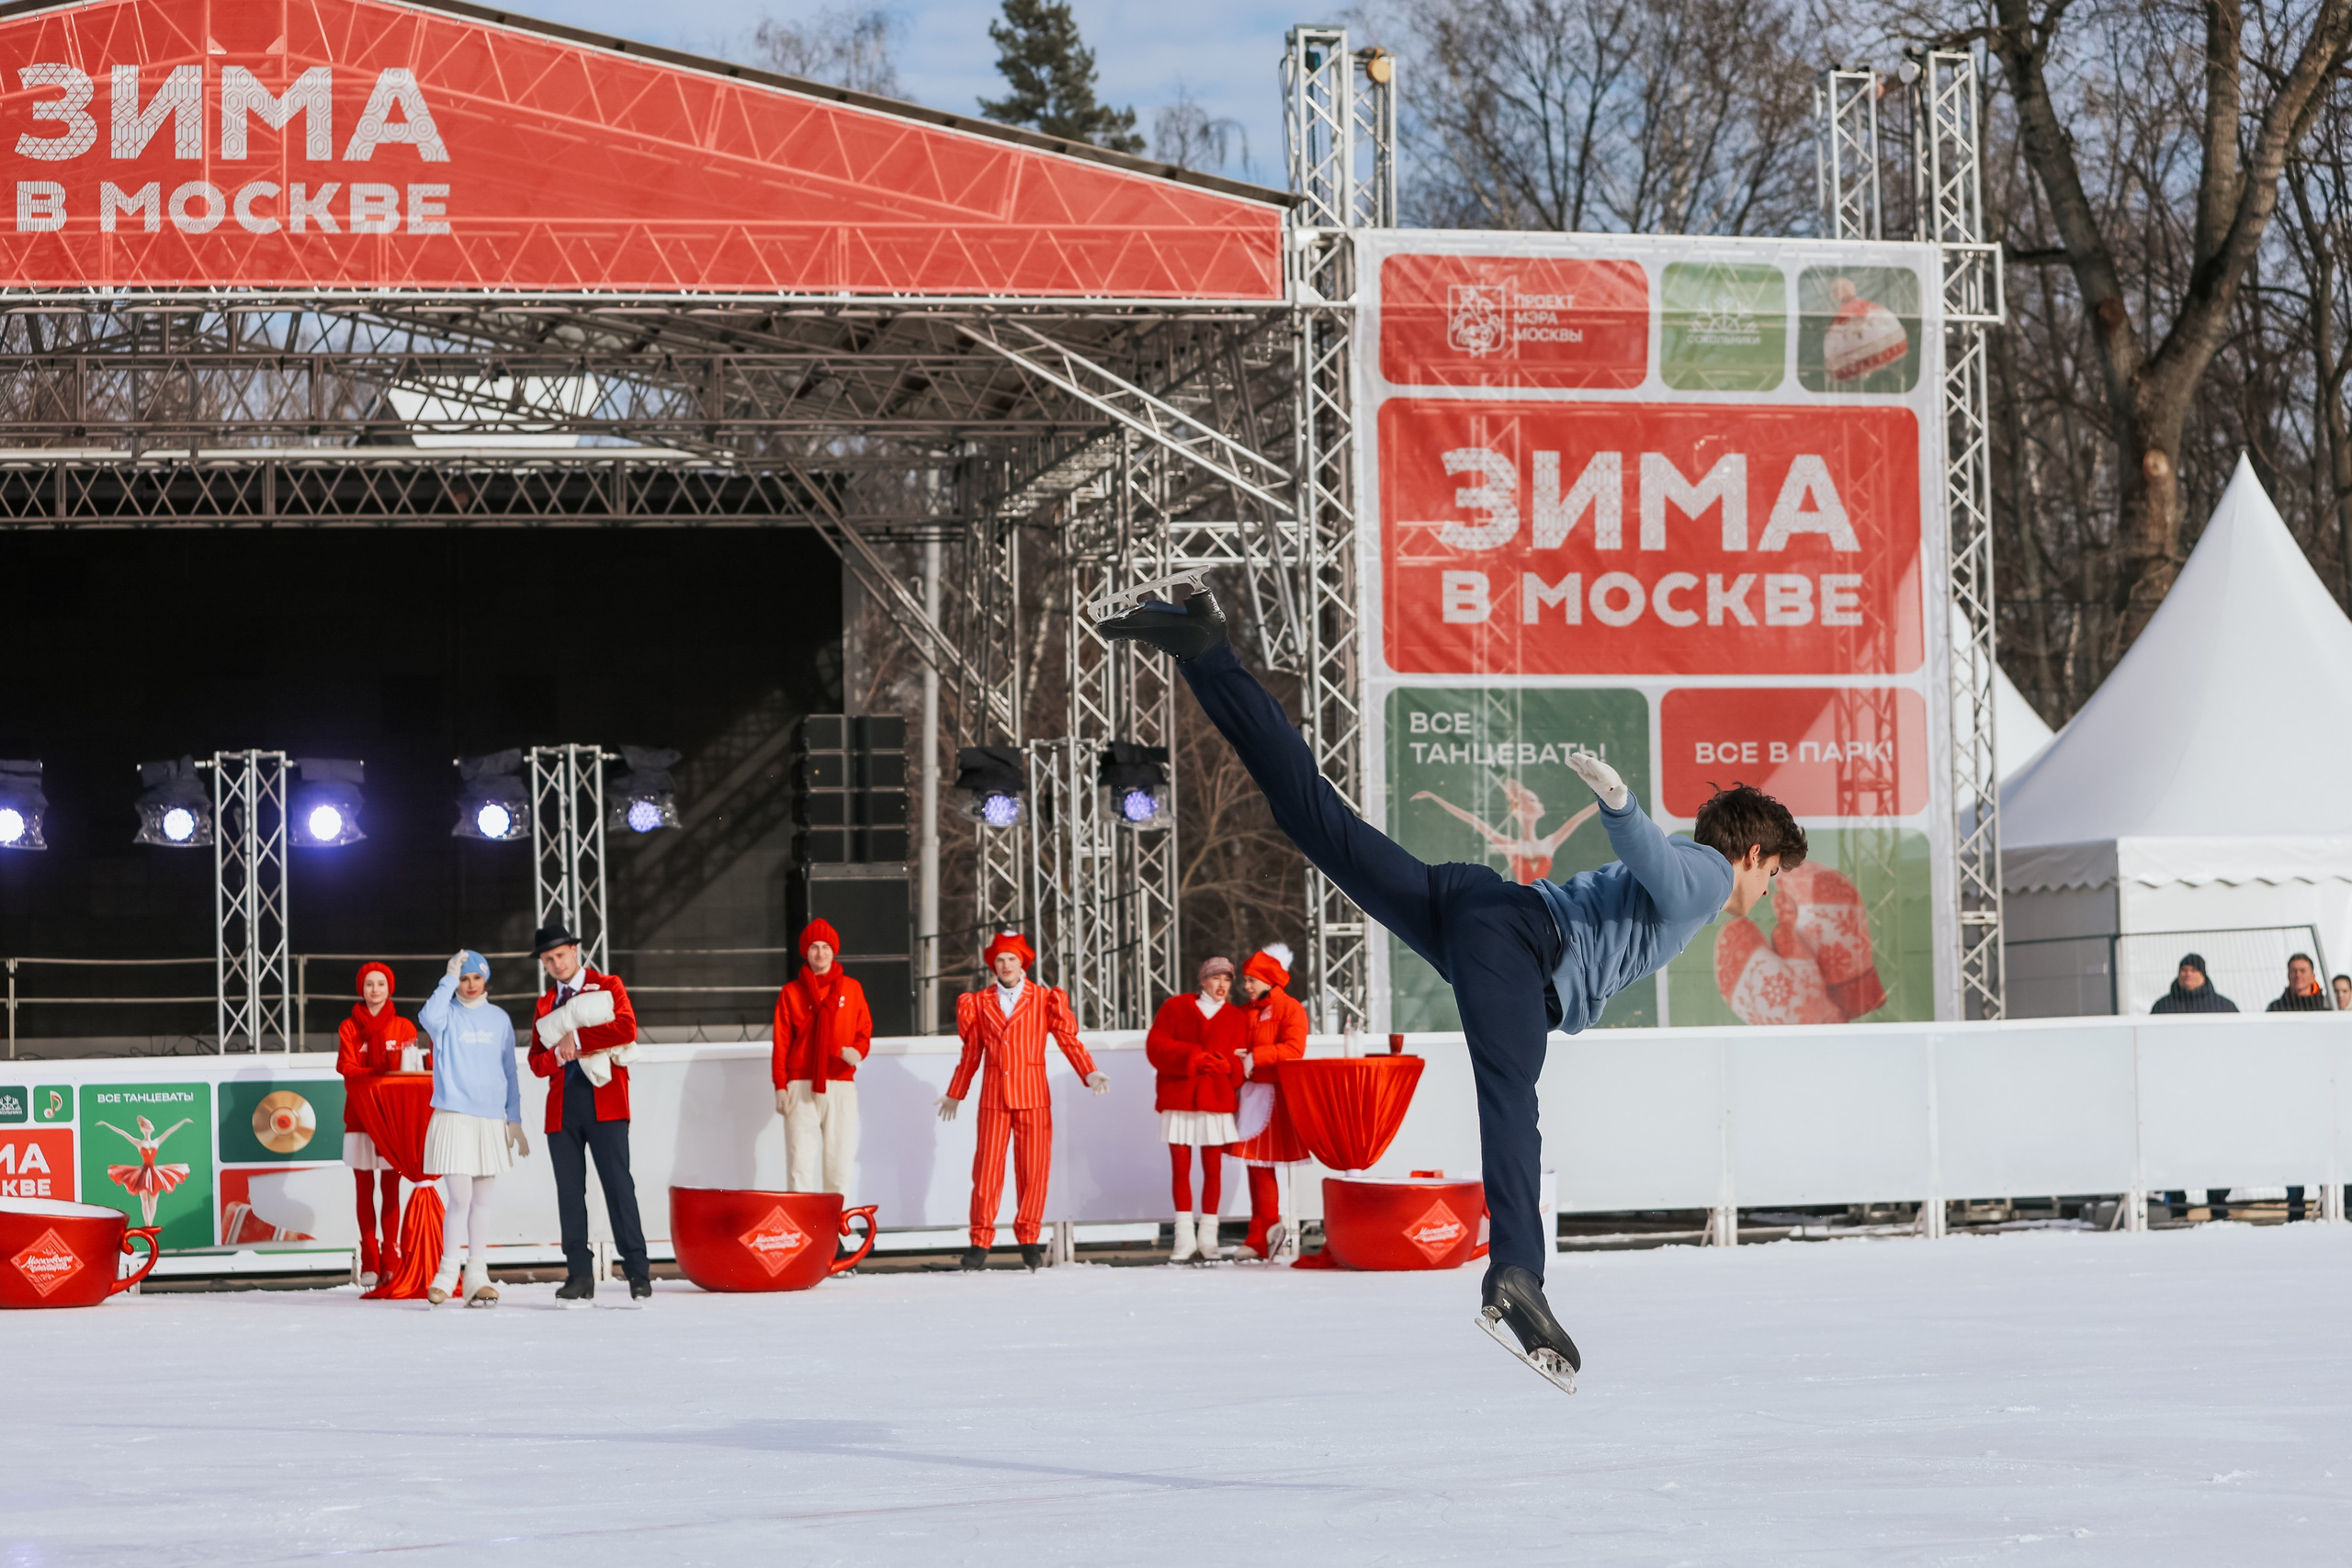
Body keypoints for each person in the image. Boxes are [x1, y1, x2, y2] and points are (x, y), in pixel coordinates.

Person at [1099, 587, 1797, 1393]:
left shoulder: (1686, 872)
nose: (1768, 891)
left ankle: (1207, 650)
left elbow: (1653, 873)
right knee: (1512, 1105)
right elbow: (1666, 870)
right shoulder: (1709, 877)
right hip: (1516, 945)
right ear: (1749, 853)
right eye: (1773, 874)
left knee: (1317, 819)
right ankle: (1518, 1275)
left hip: (1479, 907)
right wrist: (1621, 806)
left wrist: (1625, 821)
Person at [937, 931, 1109, 1271]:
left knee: (1033, 1171)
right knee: (986, 1171)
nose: (1005, 965)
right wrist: (956, 1092)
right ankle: (980, 1240)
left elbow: (1067, 1039)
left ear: (1023, 963)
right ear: (993, 965)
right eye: (999, 959)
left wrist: (1089, 1072)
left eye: (1011, 959)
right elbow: (972, 1052)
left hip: (1032, 1096)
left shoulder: (1045, 999)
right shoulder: (979, 1001)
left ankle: (1029, 1238)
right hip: (994, 1098)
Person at [525, 926, 650, 1303]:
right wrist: (558, 1055)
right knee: (569, 1193)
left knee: (618, 1186)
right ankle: (579, 1274)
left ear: (575, 951)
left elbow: (627, 1028)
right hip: (562, 1109)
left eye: (560, 955)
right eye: (548, 960)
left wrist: (576, 1041)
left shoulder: (608, 985)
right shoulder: (545, 1004)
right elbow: (535, 1062)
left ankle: (638, 1272)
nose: (555, 964)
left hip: (607, 1102)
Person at [417, 951, 526, 1307]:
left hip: (490, 1118)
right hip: (454, 1115)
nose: (469, 985)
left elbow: (509, 1070)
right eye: (463, 979)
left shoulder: (499, 1019)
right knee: (460, 1199)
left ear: (485, 980)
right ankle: (448, 1274)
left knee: (482, 1201)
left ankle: (477, 1275)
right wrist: (446, 979)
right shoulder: (446, 1015)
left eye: (475, 978)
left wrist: (515, 1118)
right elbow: (427, 1016)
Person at [1147, 956, 1248, 1262]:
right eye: (1216, 978)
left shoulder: (1236, 1017)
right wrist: (1192, 1057)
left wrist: (1227, 1065)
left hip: (1215, 1101)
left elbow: (1240, 1065)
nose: (1221, 985)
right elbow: (1156, 1045)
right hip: (1180, 1099)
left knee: (1213, 1170)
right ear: (1202, 980)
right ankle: (1183, 1238)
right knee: (1180, 1169)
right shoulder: (1175, 1007)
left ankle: (1208, 1238)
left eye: (1227, 979)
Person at [771, 918, 872, 1196]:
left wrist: (858, 1052)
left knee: (839, 1164)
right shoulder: (791, 992)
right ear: (806, 951)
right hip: (801, 1084)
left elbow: (864, 1032)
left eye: (826, 946)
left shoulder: (851, 989)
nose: (820, 953)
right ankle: (804, 1233)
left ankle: (835, 1233)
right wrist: (780, 1085)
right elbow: (781, 1042)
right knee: (799, 1163)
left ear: (834, 950)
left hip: (840, 1081)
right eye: (814, 947)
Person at [336, 961, 420, 1288]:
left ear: (390, 989)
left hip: (391, 1119)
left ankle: (391, 1258)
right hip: (359, 1116)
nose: (375, 990)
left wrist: (375, 1073)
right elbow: (346, 1066)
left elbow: (409, 1073)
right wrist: (377, 1072)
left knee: (391, 1189)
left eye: (381, 984)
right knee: (363, 1188)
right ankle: (369, 1256)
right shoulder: (348, 1027)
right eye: (369, 984)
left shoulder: (404, 1027)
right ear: (361, 988)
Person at [1228, 942, 1311, 1259]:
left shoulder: (1289, 1008)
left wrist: (1256, 1057)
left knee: (1261, 1166)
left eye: (1251, 980)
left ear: (1268, 979)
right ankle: (1261, 1235)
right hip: (1249, 1093)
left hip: (1273, 1095)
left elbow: (1294, 1049)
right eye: (1246, 980)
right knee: (1255, 1166)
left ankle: (1267, 1231)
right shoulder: (1245, 1011)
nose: (1246, 986)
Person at [2151, 953, 2237, 1014]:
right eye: (2184, 970)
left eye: (2194, 970)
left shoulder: (2224, 1006)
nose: (2188, 974)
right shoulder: (2162, 1006)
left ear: (2202, 975)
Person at [2267, 953, 2331, 1013]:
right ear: (2288, 976)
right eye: (2293, 971)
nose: (2298, 975)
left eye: (2303, 971)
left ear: (2313, 976)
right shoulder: (2275, 1008)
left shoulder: (2326, 1006)